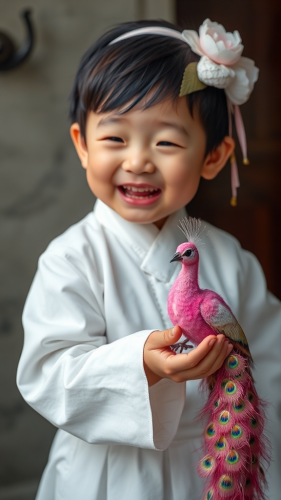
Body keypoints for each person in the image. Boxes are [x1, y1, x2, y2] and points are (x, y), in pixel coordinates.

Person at [17, 19, 281, 500]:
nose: (138, 161)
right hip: (107, 474)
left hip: (213, 462)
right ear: (82, 143)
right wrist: (141, 364)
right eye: (115, 139)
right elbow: (47, 374)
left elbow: (271, 366)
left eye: (166, 143)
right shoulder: (72, 259)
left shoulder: (232, 260)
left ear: (214, 157)